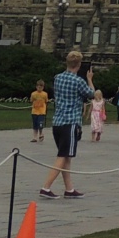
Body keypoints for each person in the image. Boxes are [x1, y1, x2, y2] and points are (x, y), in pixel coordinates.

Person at [36, 52, 96, 200]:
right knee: (63, 155)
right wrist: (89, 79)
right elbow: (92, 94)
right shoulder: (78, 81)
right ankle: (46, 187)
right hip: (70, 122)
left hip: (57, 122)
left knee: (66, 156)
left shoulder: (58, 78)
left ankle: (69, 189)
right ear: (79, 65)